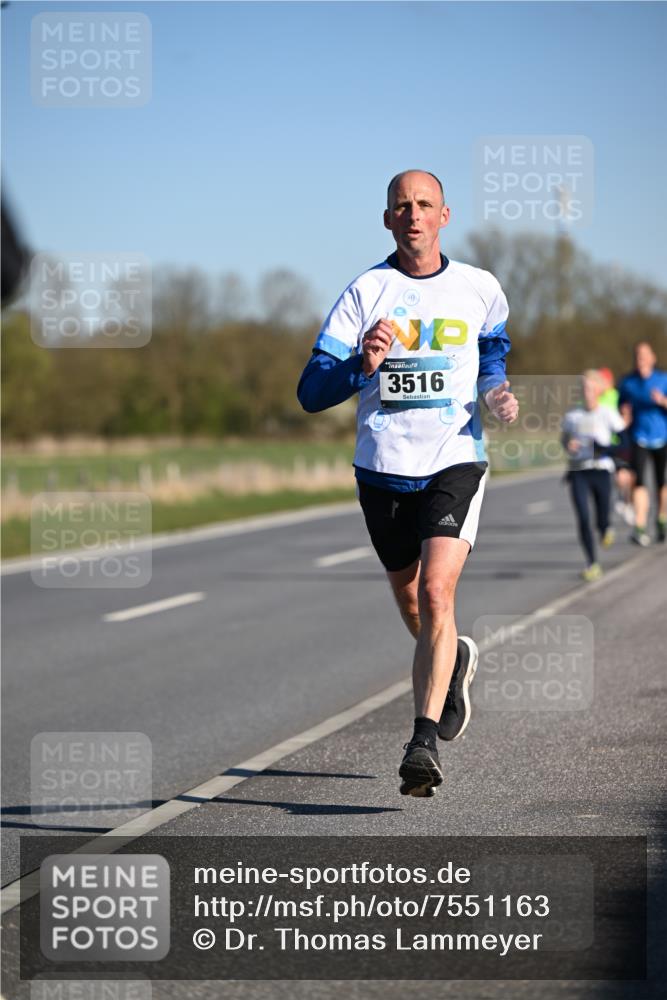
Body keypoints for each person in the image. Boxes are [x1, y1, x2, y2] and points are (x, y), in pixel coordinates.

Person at [297, 170, 518, 797]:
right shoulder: (366, 292)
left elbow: (492, 350)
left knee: (440, 595)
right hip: (383, 469)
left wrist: (495, 391)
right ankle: (453, 665)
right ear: (388, 220)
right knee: (414, 602)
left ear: (444, 215)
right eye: (402, 207)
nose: (414, 215)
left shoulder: (479, 287)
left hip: (456, 458)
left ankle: (421, 742)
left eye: (425, 204)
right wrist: (358, 365)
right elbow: (311, 392)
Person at [561, 370, 628, 581]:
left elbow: (624, 443)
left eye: (589, 387)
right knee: (582, 517)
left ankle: (605, 527)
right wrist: (568, 445)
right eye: (582, 387)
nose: (586, 391)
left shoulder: (607, 413)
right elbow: (564, 439)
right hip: (579, 471)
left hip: (601, 470)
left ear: (598, 390)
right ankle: (592, 563)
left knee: (601, 517)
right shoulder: (572, 415)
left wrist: (603, 449)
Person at [618, 342, 667, 545]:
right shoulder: (628, 383)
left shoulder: (663, 379)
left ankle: (661, 518)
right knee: (638, 481)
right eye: (638, 355)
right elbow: (621, 406)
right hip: (638, 437)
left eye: (645, 355)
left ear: (653, 358)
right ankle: (639, 525)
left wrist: (662, 401)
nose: (641, 359)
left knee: (660, 483)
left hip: (662, 437)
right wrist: (624, 413)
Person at [598, 366, 635, 526]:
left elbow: (626, 410)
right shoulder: (596, 398)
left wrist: (626, 419)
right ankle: (622, 501)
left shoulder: (616, 395)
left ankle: (626, 501)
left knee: (625, 477)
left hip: (620, 441)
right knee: (615, 477)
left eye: (604, 381)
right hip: (604, 444)